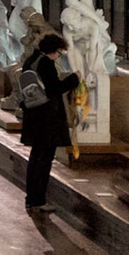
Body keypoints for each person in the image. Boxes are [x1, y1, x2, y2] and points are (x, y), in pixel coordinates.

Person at [18, 32, 78, 209]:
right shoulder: (46, 64)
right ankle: (38, 200)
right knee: (44, 159)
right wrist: (74, 78)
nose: (59, 56)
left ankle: (31, 198)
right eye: (59, 53)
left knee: (36, 156)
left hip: (33, 114)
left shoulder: (32, 60)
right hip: (46, 118)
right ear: (53, 51)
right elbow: (55, 89)